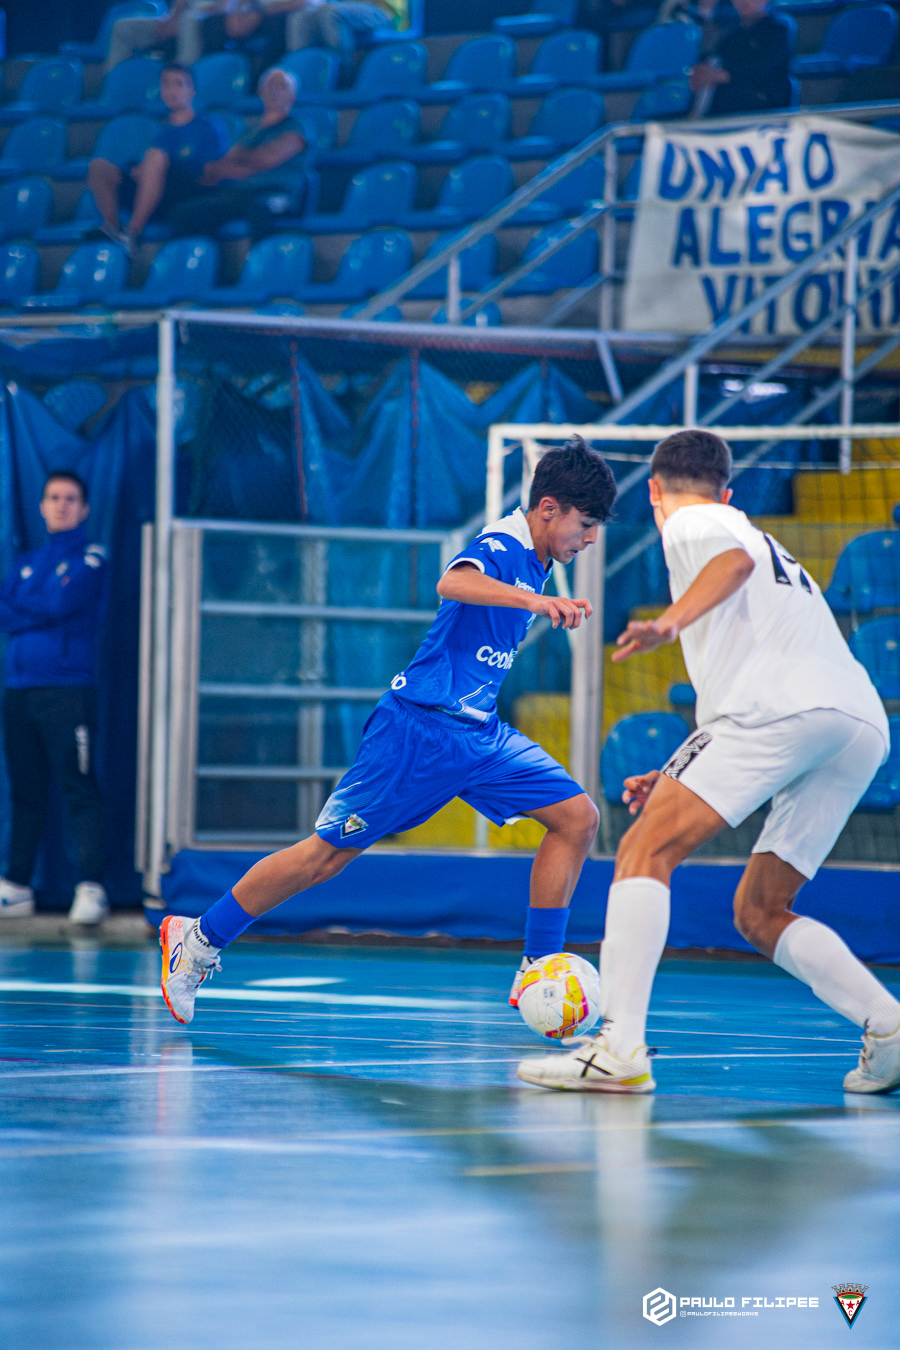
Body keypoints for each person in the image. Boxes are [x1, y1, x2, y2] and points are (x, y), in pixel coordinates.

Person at [159, 439, 617, 1024]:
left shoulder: (540, 558)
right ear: (548, 509)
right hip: (417, 734)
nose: (591, 538)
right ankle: (197, 940)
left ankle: (538, 966)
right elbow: (453, 583)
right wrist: (536, 602)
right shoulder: (505, 544)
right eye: (586, 524)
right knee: (323, 859)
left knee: (577, 818)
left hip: (479, 737)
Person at [518, 430, 900, 1096]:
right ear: (728, 490)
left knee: (643, 851)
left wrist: (667, 624)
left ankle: (619, 1049)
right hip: (857, 723)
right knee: (760, 909)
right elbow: (749, 678)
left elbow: (731, 565)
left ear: (654, 490)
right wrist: (676, 772)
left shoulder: (694, 522)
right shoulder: (765, 541)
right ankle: (890, 1029)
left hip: (779, 713)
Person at [0, 473, 109, 926]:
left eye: (70, 498)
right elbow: (6, 610)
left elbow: (60, 603)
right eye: (53, 497)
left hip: (67, 692)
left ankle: (91, 888)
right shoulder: (26, 562)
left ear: (84, 509)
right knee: (25, 791)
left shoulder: (92, 558)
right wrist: (35, 606)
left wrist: (26, 606)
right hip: (18, 691)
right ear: (42, 505)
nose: (61, 505)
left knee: (78, 787)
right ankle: (17, 886)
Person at [88, 64, 227, 252]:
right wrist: (140, 170)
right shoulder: (159, 131)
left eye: (179, 84)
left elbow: (211, 171)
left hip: (189, 192)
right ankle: (112, 227)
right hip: (156, 192)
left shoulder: (208, 127)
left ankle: (132, 232)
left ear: (192, 90)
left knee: (156, 157)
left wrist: (157, 165)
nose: (171, 91)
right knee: (99, 167)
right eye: (166, 84)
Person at [165, 66, 306, 239]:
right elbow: (224, 164)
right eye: (270, 86)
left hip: (276, 193)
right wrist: (246, 163)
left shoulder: (297, 127)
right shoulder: (250, 131)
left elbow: (267, 159)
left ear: (292, 96)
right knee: (185, 212)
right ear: (260, 91)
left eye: (282, 87)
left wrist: (241, 158)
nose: (275, 91)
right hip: (240, 192)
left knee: (259, 209)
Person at [689, 0, 791, 116]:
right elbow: (710, 62)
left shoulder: (778, 28)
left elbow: (764, 69)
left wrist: (721, 76)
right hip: (722, 115)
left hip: (763, 113)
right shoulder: (731, 36)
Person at [285, 0, 407, 55]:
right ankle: (298, 77)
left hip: (382, 11)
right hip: (348, 9)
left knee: (330, 12)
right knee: (299, 18)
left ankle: (342, 72)